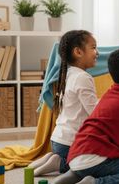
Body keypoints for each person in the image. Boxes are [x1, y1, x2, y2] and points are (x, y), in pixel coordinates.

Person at [49, 48, 119, 184]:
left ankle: (76, 174)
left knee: (103, 160)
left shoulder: (109, 94)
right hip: (93, 159)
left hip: (75, 155)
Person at [30, 30, 99, 176]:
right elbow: (95, 113)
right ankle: (61, 163)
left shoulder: (69, 74)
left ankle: (51, 157)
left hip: (58, 140)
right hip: (71, 143)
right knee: (90, 164)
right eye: (93, 48)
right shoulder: (83, 77)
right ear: (78, 52)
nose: (97, 52)